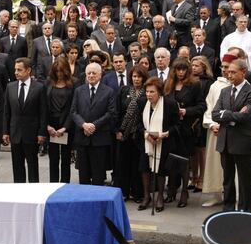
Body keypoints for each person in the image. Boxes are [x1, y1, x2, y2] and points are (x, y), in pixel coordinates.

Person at [212, 59, 251, 212]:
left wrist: (225, 115)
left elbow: (247, 117)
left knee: (245, 181)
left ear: (243, 72)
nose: (229, 75)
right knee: (227, 180)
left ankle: (244, 211)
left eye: (233, 72)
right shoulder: (224, 91)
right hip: (225, 141)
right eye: (228, 72)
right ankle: (228, 210)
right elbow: (214, 114)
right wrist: (232, 115)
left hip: (242, 143)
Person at [164, 57, 206, 207]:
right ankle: (171, 191)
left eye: (183, 69)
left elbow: (202, 106)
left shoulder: (194, 85)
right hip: (171, 129)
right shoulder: (168, 84)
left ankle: (184, 193)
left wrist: (185, 111)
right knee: (171, 162)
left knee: (184, 162)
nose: (181, 72)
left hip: (186, 129)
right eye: (178, 69)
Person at [138, 77, 180, 212]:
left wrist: (166, 133)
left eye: (152, 92)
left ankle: (160, 196)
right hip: (146, 142)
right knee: (145, 169)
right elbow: (138, 124)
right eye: (147, 92)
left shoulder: (170, 104)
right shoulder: (142, 102)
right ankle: (146, 196)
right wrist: (146, 134)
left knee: (160, 169)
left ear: (160, 93)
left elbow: (177, 125)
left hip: (164, 142)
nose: (148, 95)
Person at [2, 57, 47, 183]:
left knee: (32, 166)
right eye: (15, 69)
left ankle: (34, 192)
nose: (16, 72)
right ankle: (19, 193)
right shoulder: (10, 87)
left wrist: (41, 132)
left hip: (31, 133)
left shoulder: (39, 87)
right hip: (15, 133)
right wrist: (5, 131)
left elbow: (43, 112)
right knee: (17, 166)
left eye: (19, 70)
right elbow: (6, 112)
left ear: (28, 71)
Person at [70, 62, 116, 185]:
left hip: (99, 138)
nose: (91, 75)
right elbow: (73, 112)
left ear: (100, 75)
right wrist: (83, 125)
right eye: (88, 73)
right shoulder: (79, 91)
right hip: (82, 138)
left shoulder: (109, 91)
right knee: (83, 175)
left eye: (94, 73)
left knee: (98, 175)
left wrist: (94, 125)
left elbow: (110, 113)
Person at [202, 53, 236, 207]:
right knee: (214, 164)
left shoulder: (240, 85)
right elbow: (209, 108)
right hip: (214, 131)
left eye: (228, 67)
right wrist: (211, 124)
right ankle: (216, 194)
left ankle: (231, 196)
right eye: (223, 67)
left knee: (230, 166)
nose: (225, 70)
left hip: (231, 131)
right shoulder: (215, 86)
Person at [116, 65, 148, 203]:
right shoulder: (124, 90)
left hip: (138, 134)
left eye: (139, 76)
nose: (136, 79)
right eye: (134, 76)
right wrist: (117, 130)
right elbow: (117, 111)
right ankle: (123, 192)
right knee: (123, 165)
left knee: (137, 165)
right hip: (123, 134)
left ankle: (137, 193)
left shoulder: (146, 93)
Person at [46, 57, 76, 183]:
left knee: (65, 159)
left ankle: (65, 184)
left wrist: (65, 127)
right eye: (56, 71)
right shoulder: (48, 83)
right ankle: (52, 185)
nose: (59, 74)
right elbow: (44, 105)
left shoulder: (74, 83)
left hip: (66, 125)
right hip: (51, 125)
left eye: (61, 71)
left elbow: (74, 107)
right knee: (53, 159)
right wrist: (47, 126)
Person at [190, 55, 214, 192]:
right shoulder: (189, 80)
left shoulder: (209, 82)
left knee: (202, 150)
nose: (193, 68)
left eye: (197, 65)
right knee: (192, 150)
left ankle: (202, 179)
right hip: (190, 117)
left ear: (204, 67)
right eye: (192, 65)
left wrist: (199, 118)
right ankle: (193, 177)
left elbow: (206, 102)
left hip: (202, 118)